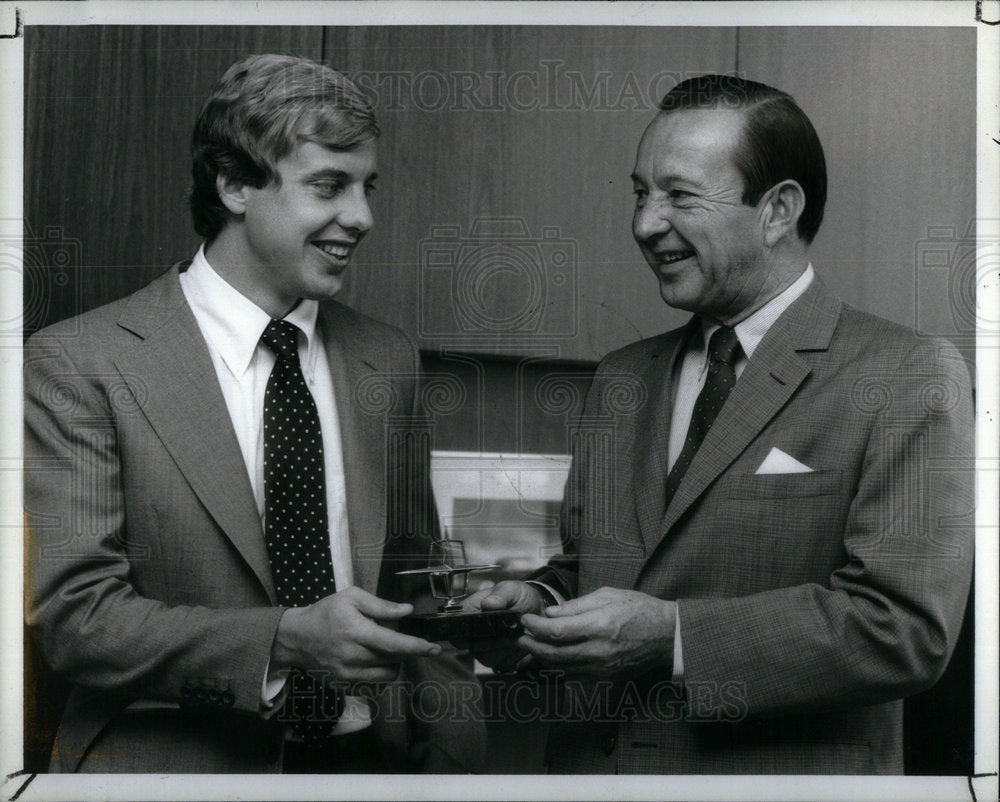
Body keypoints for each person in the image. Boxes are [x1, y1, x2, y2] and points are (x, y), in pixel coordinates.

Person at [467, 74, 974, 774]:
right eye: (640, 193)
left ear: (777, 211)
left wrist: (673, 637)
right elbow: (599, 569)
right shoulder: (622, 377)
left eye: (679, 195)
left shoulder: (905, 374)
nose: (646, 223)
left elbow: (905, 631)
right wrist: (539, 598)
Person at [24, 54, 485, 774]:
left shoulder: (386, 361)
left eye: (368, 187)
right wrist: (285, 641)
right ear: (235, 184)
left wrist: (461, 770)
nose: (362, 217)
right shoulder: (78, 363)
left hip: (371, 764)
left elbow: (418, 596)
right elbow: (79, 620)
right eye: (328, 186)